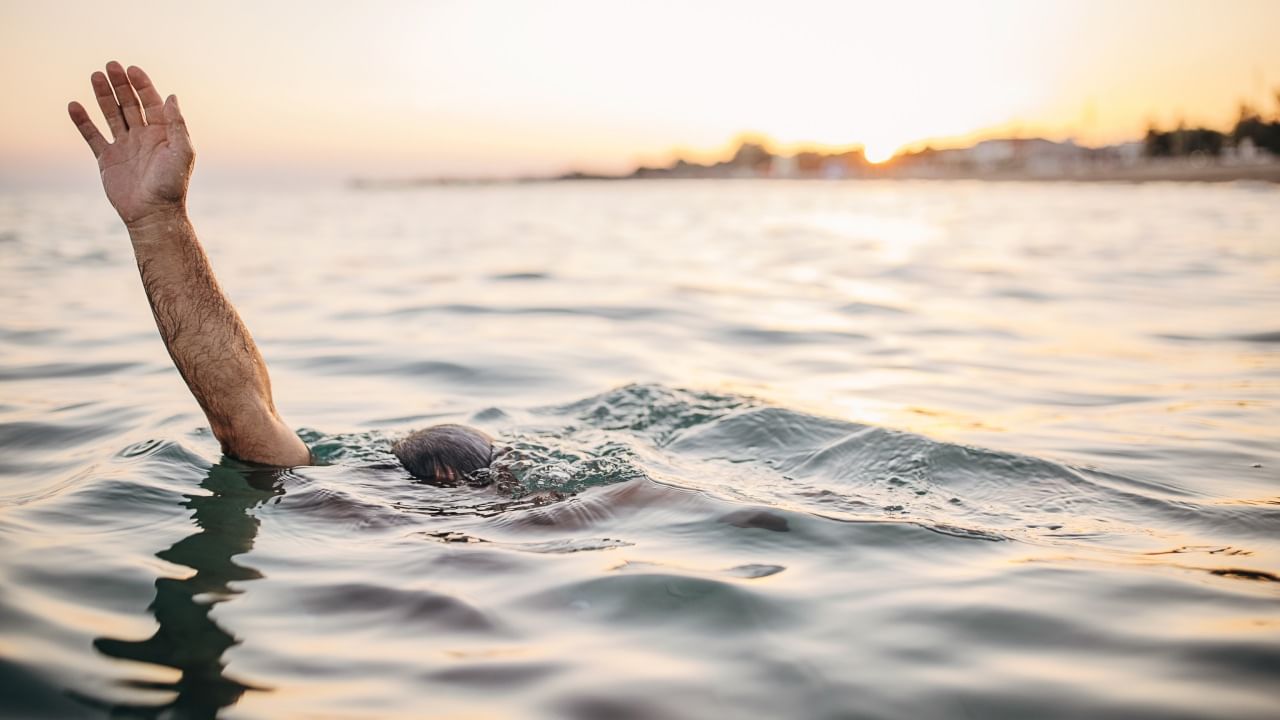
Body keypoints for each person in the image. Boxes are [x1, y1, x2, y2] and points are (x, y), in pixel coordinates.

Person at [67, 62, 493, 480]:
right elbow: (245, 416)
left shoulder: (352, 499)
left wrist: (157, 221)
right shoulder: (540, 513)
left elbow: (244, 417)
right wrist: (156, 217)